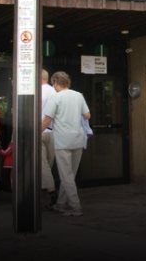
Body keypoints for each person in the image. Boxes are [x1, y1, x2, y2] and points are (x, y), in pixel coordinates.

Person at [42, 71, 90, 217]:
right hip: (78, 139)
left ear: (55, 82)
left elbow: (47, 120)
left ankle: (76, 207)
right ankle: (61, 204)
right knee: (70, 175)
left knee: (66, 176)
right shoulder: (78, 95)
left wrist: (34, 133)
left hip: (62, 141)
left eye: (53, 83)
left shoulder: (56, 98)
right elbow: (87, 115)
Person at [41, 70, 58, 207]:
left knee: (42, 164)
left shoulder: (35, 91)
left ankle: (51, 190)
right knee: (49, 162)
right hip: (52, 132)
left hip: (39, 130)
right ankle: (46, 186)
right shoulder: (54, 92)